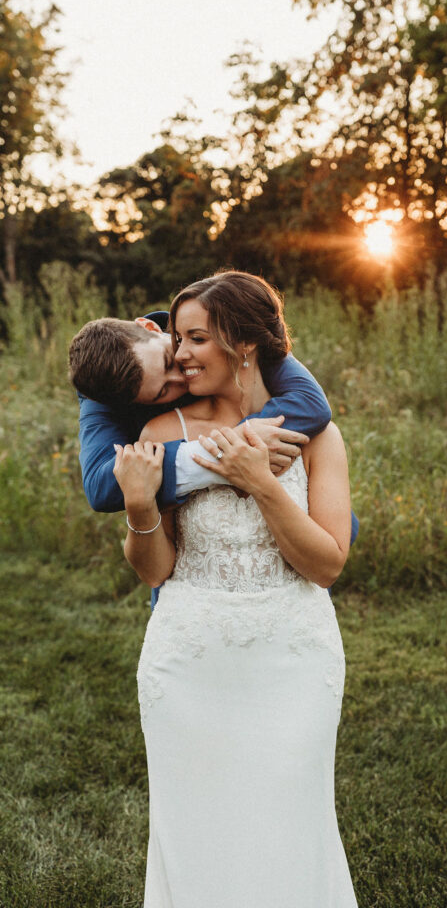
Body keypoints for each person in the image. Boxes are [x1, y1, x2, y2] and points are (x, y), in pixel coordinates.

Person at [112, 270, 357, 907]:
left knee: (290, 825)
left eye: (196, 338)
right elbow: (154, 570)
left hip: (293, 657)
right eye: (177, 337)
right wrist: (140, 507)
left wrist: (263, 483)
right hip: (190, 659)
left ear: (243, 343)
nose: (179, 352)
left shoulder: (317, 436)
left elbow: (327, 566)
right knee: (195, 833)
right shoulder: (163, 434)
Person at [69, 310, 358, 606]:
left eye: (169, 361)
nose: (179, 378)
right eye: (162, 392)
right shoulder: (105, 392)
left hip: (294, 578)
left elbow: (310, 403)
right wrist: (225, 454)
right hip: (194, 588)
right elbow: (99, 485)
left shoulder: (213, 330)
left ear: (149, 326)